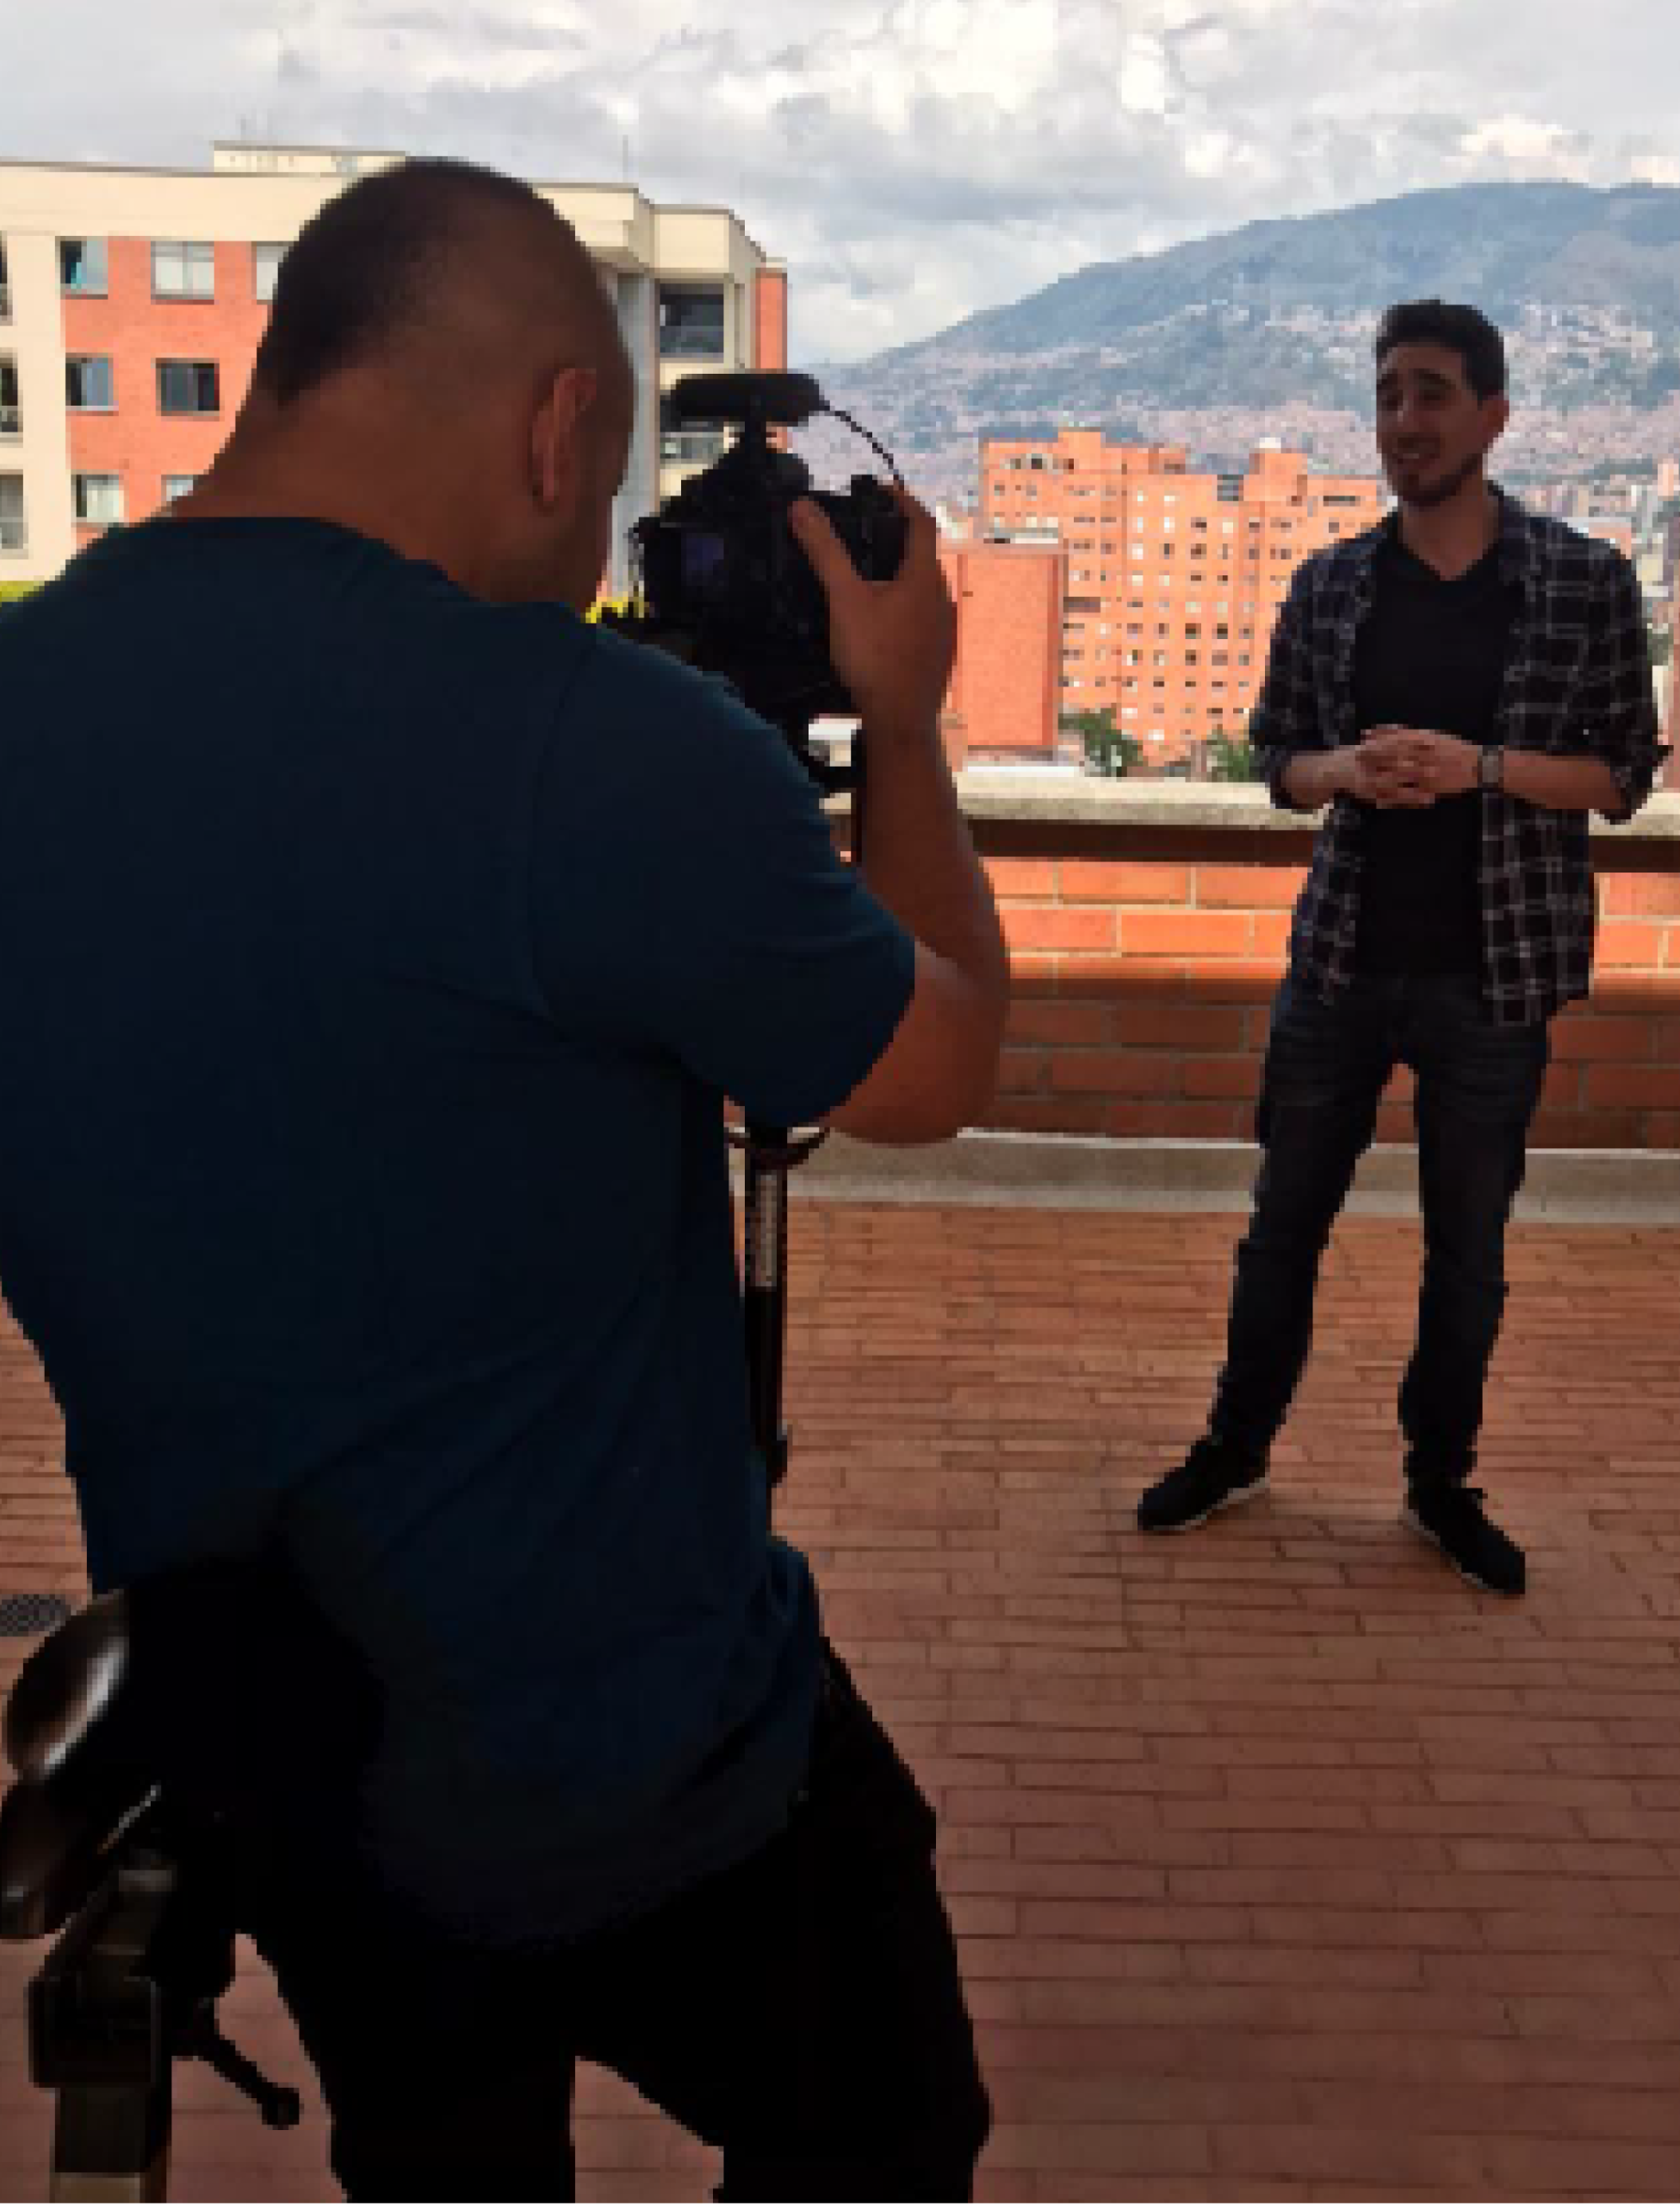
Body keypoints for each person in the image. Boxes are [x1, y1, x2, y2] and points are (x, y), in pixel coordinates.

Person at [0, 158, 1005, 2200]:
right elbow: (934, 1064)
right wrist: (902, 724)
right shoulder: (592, 740)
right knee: (883, 2125)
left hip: (275, 1743)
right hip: (644, 1752)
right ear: (559, 424)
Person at [1136, 299, 1666, 1595]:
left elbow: (1621, 777)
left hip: (1497, 974)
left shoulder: (1583, 581)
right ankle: (1235, 1446)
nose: (1404, 421)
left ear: (1493, 415)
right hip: (1339, 962)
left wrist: (1479, 766)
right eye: (1387, 396)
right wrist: (1345, 770)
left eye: (1430, 393)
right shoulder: (1330, 586)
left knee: (1466, 1250)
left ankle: (1440, 1482)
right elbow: (1276, 760)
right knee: (1282, 1228)